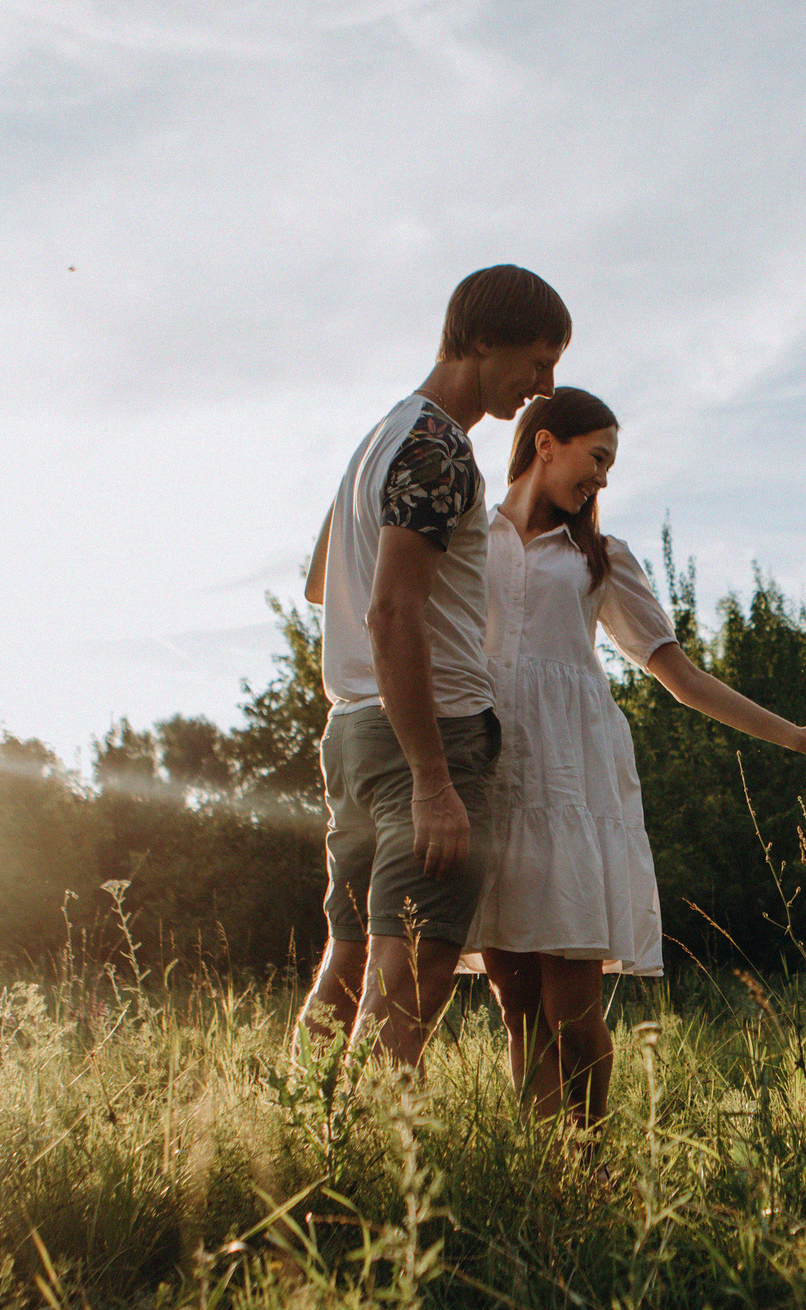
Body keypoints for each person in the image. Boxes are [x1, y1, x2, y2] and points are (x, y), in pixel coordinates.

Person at [468, 388, 806, 1125]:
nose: (604, 480)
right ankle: (541, 1181)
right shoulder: (469, 536)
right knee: (516, 1006)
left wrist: (799, 735)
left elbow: (680, 677)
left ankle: (588, 1161)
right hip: (492, 776)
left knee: (571, 1011)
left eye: (611, 465)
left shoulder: (601, 558)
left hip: (570, 783)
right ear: (545, 443)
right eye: (598, 458)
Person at [295, 264, 569, 1069]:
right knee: (409, 984)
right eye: (538, 361)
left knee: (346, 966)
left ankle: (285, 1146)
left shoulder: (379, 439)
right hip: (426, 736)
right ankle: (370, 1185)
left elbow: (322, 584)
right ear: (484, 340)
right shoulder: (440, 447)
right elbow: (392, 613)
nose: (543, 387)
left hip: (349, 735)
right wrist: (432, 780)